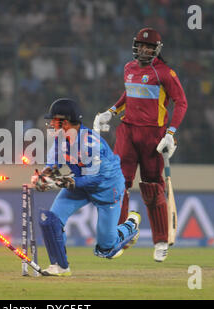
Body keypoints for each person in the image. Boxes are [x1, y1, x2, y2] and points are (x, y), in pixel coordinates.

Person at [94, 27, 188, 262]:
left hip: (153, 135)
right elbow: (130, 94)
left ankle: (160, 241)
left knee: (152, 188)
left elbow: (182, 103)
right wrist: (112, 111)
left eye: (149, 46)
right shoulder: (128, 68)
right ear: (135, 46)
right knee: (118, 184)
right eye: (141, 45)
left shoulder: (165, 73)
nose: (144, 50)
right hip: (127, 130)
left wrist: (171, 133)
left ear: (157, 49)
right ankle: (119, 236)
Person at [32, 98, 141, 277]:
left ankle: (130, 226)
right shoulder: (61, 139)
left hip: (107, 187)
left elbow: (95, 179)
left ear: (65, 122)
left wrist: (62, 182)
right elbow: (53, 163)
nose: (50, 124)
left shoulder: (90, 143)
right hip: (80, 184)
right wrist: (44, 176)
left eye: (54, 120)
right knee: (51, 221)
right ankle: (60, 266)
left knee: (106, 248)